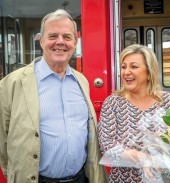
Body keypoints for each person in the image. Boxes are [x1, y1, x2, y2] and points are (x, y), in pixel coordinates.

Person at [0, 9, 107, 183]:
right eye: (52, 36)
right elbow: (2, 142)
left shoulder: (81, 81)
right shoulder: (12, 83)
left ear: (75, 42)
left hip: (80, 179)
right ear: (41, 41)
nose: (60, 42)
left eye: (66, 36)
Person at [98, 44, 170, 182]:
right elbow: (107, 146)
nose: (126, 72)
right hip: (125, 179)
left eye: (134, 66)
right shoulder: (113, 103)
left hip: (166, 178)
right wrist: (143, 158)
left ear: (149, 72)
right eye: (123, 66)